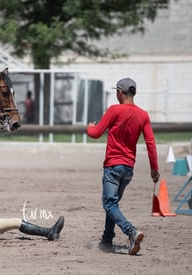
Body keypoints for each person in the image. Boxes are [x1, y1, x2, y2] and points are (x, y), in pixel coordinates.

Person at [86, 78, 160, 255]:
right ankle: (107, 240)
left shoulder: (114, 110)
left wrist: (89, 127)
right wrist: (154, 169)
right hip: (128, 168)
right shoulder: (143, 115)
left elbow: (95, 134)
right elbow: (150, 142)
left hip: (113, 165)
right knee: (113, 204)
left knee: (109, 204)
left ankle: (131, 232)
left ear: (120, 92)